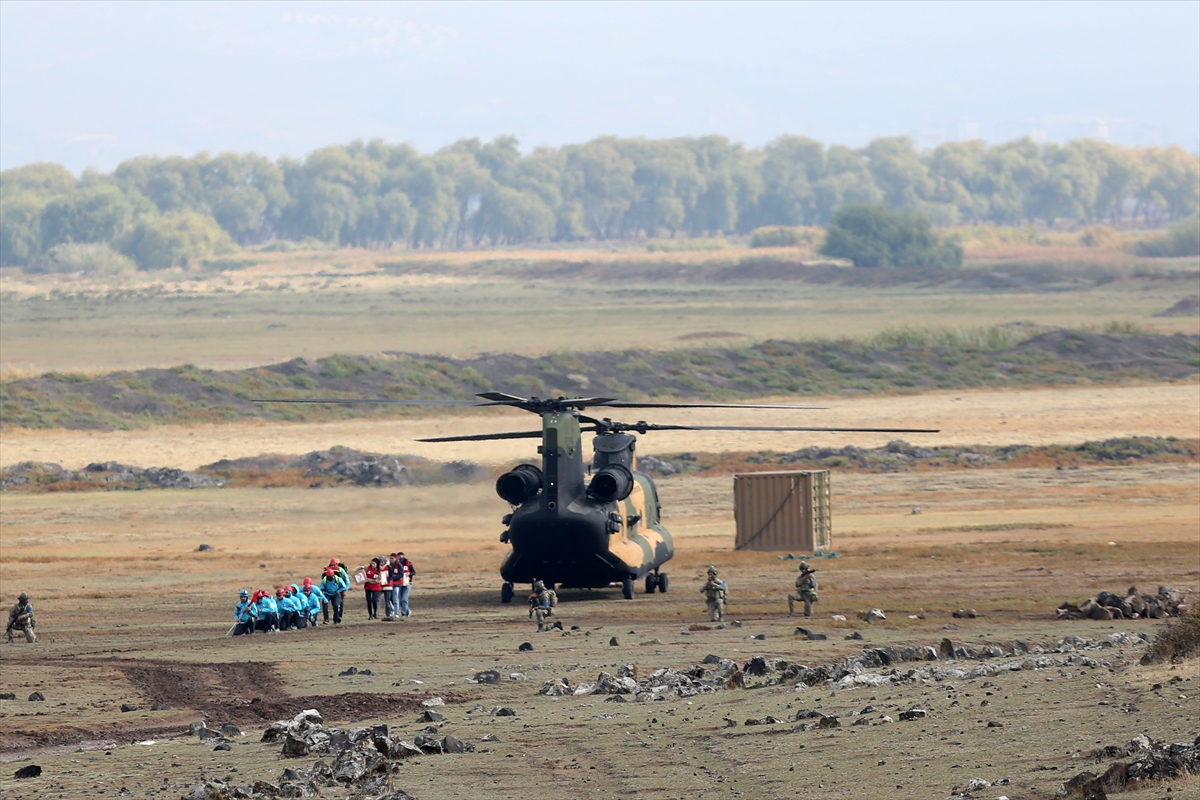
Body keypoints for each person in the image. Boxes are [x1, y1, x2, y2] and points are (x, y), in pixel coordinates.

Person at [394, 552, 416, 619]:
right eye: (398, 557)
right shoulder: (397, 565)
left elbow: (414, 572)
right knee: (400, 599)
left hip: (407, 583)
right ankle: (407, 610)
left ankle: (403, 613)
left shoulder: (409, 563)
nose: (399, 558)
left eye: (400, 556)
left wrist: (409, 573)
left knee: (404, 598)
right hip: (400, 583)